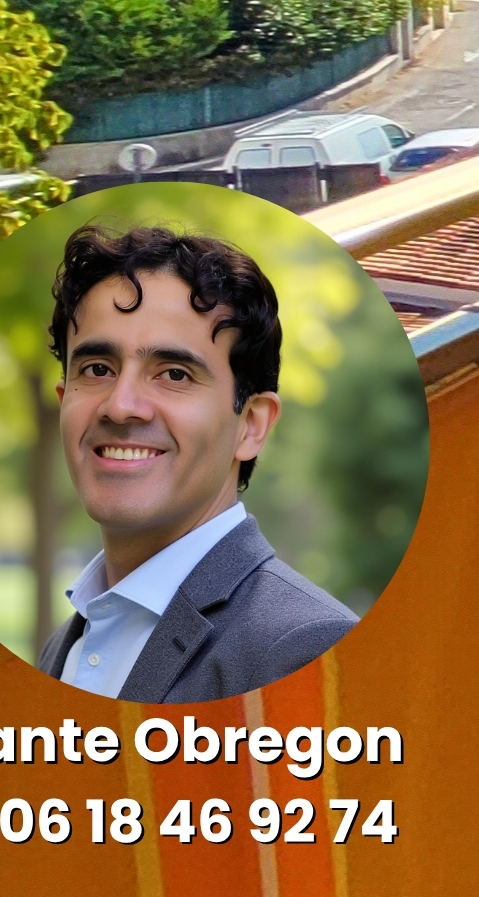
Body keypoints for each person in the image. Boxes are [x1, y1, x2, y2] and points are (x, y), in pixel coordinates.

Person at [35, 225, 357, 700]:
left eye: (174, 374)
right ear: (64, 402)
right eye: (97, 369)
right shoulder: (68, 644)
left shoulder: (300, 647)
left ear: (250, 425)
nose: (120, 406)